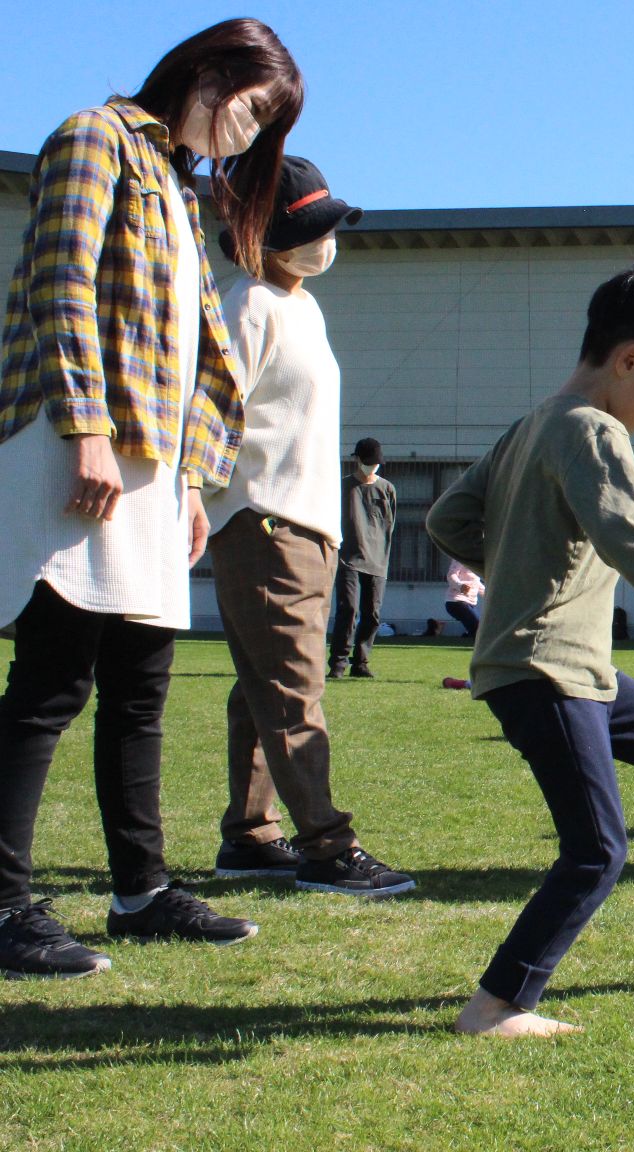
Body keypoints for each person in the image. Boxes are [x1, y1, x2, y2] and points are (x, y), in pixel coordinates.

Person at [0, 19, 303, 979]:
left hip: (150, 471)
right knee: (51, 681)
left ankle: (138, 889)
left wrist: (192, 480)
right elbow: (60, 284)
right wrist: (84, 426)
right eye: (253, 110)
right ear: (211, 73)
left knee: (140, 688)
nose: (248, 137)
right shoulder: (95, 136)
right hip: (77, 446)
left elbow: (199, 361)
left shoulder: (174, 184)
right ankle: (4, 906)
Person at [426, 264, 634, 1038]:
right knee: (596, 851)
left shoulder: (535, 422)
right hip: (545, 670)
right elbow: (631, 540)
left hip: (575, 671)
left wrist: (518, 558)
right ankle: (497, 1006)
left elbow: (445, 518)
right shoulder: (593, 429)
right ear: (630, 361)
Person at [203, 156, 414, 898]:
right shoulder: (244, 304)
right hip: (263, 522)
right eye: (306, 230)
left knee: (260, 687)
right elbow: (210, 415)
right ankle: (325, 846)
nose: (324, 242)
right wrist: (196, 503)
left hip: (305, 527)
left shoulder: (302, 306)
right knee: (292, 686)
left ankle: (252, 835)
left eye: (327, 227)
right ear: (256, 236)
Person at [329, 436, 394, 679]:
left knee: (372, 613)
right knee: (348, 609)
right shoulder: (343, 487)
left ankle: (361, 662)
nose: (372, 466)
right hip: (348, 557)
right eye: (368, 462)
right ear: (357, 460)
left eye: (375, 462)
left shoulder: (387, 489)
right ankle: (338, 663)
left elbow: (390, 525)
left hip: (378, 560)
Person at [445, 559, 484, 637]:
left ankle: (469, 635)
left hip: (470, 603)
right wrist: (460, 586)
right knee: (478, 629)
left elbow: (476, 583)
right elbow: (451, 575)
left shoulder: (474, 563)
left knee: (478, 629)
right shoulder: (460, 559)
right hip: (457, 602)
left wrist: (490, 594)